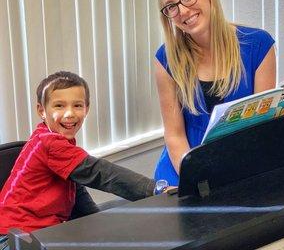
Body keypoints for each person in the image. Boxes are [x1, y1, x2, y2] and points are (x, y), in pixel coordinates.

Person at [0, 71, 170, 246]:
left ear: (86, 109)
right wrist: (155, 189)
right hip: (14, 240)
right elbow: (100, 173)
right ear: (41, 111)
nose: (69, 114)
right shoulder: (48, 143)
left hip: (38, 235)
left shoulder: (53, 139)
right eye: (59, 106)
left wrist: (98, 226)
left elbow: (76, 190)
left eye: (77, 106)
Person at [153, 0, 276, 186]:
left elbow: (261, 130)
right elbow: (174, 135)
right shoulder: (166, 59)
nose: (182, 11)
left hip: (240, 166)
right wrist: (197, 179)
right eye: (171, 6)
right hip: (184, 168)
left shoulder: (258, 45)